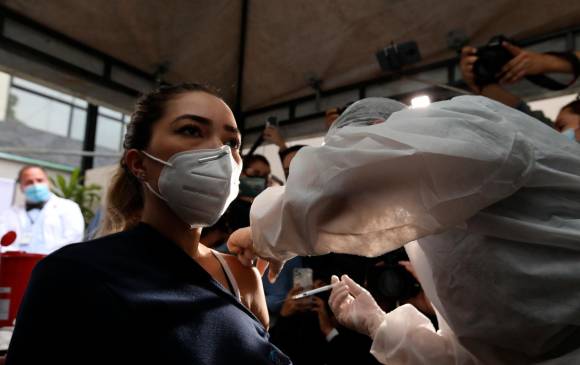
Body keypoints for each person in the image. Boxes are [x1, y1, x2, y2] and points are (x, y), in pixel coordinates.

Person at [228, 96, 580, 364]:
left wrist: (262, 232)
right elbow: (471, 357)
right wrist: (379, 326)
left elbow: (352, 176)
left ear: (389, 130)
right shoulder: (439, 230)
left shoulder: (472, 121)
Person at [6, 83, 290, 365]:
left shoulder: (240, 276)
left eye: (232, 143)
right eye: (191, 130)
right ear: (138, 162)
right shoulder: (71, 273)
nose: (220, 153)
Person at [460, 41, 580, 127]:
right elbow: (517, 112)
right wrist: (478, 76)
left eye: (562, 126)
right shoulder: (552, 140)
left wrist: (547, 63)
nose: (558, 133)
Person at [0, 165, 84, 254]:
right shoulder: (9, 213)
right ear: (21, 186)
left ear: (48, 182)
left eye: (39, 180)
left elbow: (73, 240)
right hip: (18, 264)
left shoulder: (69, 207)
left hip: (55, 264)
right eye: (29, 182)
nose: (35, 185)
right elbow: (2, 242)